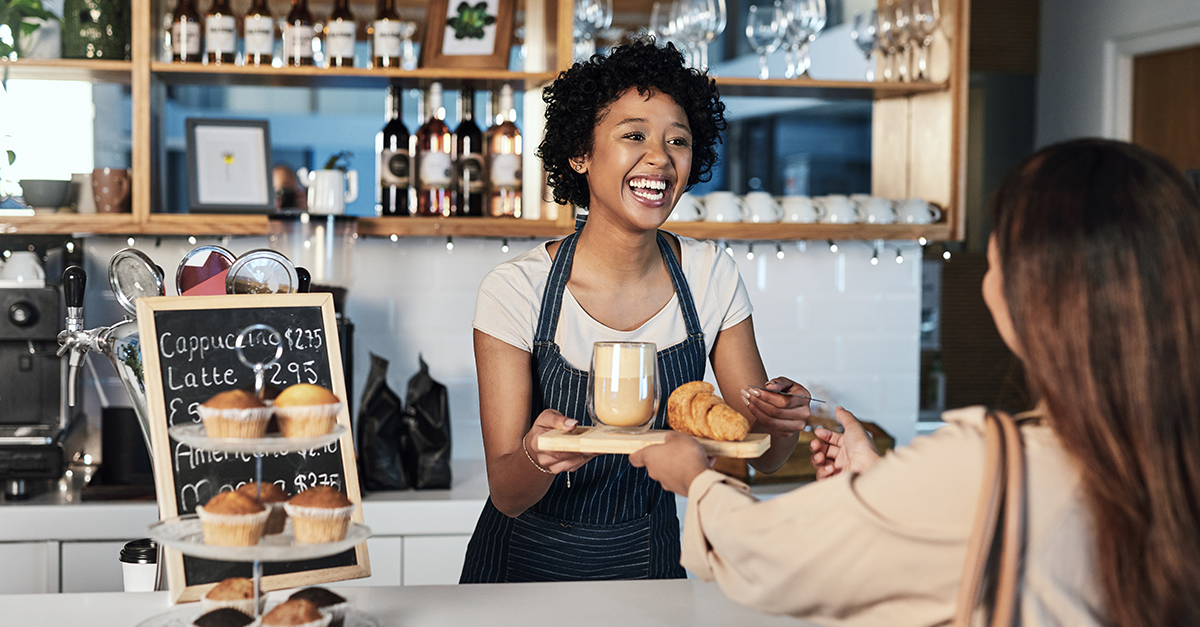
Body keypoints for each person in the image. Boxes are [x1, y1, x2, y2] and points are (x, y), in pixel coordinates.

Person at [631, 139, 1200, 626]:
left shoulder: (989, 463)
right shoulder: (1166, 455)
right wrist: (881, 485)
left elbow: (768, 554)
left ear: (1037, 294)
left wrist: (697, 482)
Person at [459, 38, 813, 583]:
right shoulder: (517, 290)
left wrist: (782, 422)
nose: (660, 158)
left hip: (649, 565)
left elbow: (758, 454)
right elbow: (507, 492)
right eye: (633, 136)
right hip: (520, 575)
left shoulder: (709, 275)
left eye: (678, 141)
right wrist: (538, 455)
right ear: (579, 153)